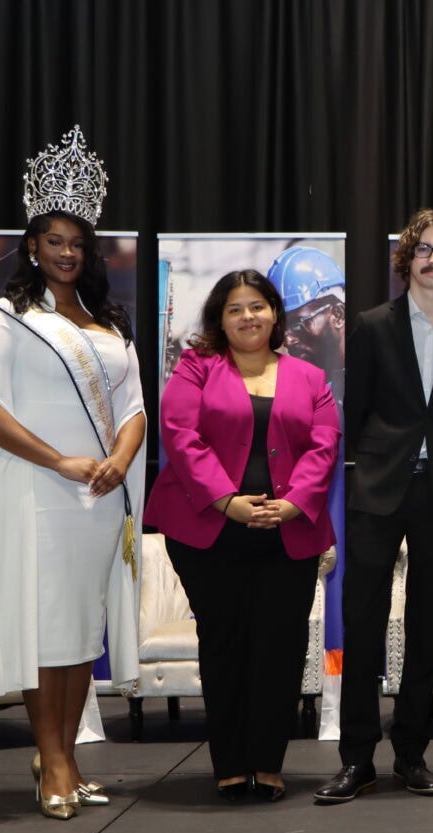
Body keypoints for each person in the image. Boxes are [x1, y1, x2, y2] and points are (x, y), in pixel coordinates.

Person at [0, 126, 145, 819]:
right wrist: (61, 459)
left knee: (78, 634)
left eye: (78, 243)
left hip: (100, 500)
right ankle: (57, 762)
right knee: (46, 630)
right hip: (43, 495)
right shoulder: (4, 322)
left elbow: (134, 408)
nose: (67, 254)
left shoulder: (108, 325)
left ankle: (59, 749)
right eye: (54, 241)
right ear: (32, 245)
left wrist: (120, 460)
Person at [315, 209, 433, 804]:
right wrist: (373, 468)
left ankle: (411, 755)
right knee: (363, 625)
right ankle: (357, 758)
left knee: (423, 630)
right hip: (376, 490)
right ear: (406, 259)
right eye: (424, 249)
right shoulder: (369, 325)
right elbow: (356, 409)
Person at [145, 270, 339, 802]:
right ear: (219, 319)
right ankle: (230, 763)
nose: (248, 317)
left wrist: (295, 502)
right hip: (209, 531)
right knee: (225, 644)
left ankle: (268, 763)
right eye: (235, 309)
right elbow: (179, 435)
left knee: (279, 647)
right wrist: (226, 502)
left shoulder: (310, 377)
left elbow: (325, 446)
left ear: (275, 313)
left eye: (257, 306)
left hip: (288, 532)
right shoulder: (195, 367)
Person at [268, 246, 347, 401]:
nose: (287, 340)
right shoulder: (288, 391)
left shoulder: (375, 376)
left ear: (338, 315)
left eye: (297, 324)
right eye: (281, 327)